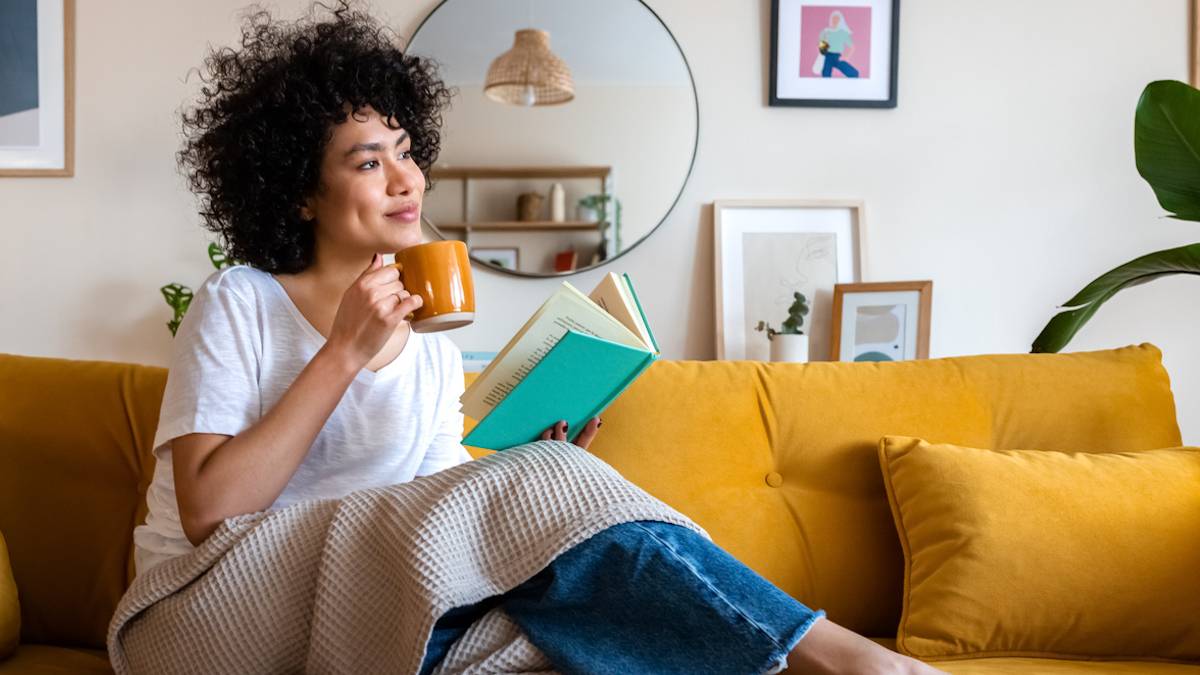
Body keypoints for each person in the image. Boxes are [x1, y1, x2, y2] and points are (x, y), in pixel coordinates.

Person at [134, 2, 942, 673]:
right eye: (368, 161)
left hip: (349, 613)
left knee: (558, 641)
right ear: (299, 191)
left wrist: (554, 481)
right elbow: (211, 511)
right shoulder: (239, 301)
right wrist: (342, 352)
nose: (407, 179)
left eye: (407, 153)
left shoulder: (430, 353)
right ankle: (846, 657)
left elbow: (436, 534)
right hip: (205, 610)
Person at [820, 11, 860, 79]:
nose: (835, 21)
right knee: (825, 76)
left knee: (854, 74)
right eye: (833, 18)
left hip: (837, 57)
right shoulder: (825, 31)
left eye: (837, 19)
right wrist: (825, 39)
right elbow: (822, 51)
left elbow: (852, 47)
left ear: (840, 21)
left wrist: (846, 57)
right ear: (831, 19)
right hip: (828, 56)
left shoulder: (843, 33)